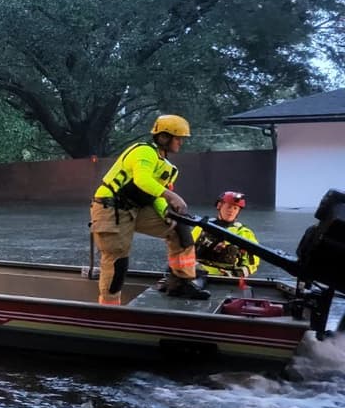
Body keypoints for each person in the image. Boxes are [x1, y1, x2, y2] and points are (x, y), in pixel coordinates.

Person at [89, 114, 208, 304]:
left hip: (137, 208)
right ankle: (109, 308)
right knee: (117, 260)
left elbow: (154, 195)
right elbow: (142, 180)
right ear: (163, 137)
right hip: (112, 207)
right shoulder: (144, 152)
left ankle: (181, 282)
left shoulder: (167, 167)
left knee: (179, 229)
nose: (181, 143)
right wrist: (171, 196)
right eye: (178, 138)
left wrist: (165, 212)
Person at [192, 190, 260, 278]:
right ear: (219, 206)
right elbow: (185, 250)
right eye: (229, 207)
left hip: (227, 280)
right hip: (198, 275)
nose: (231, 211)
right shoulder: (202, 227)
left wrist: (238, 273)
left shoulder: (244, 233)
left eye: (235, 208)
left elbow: (253, 262)